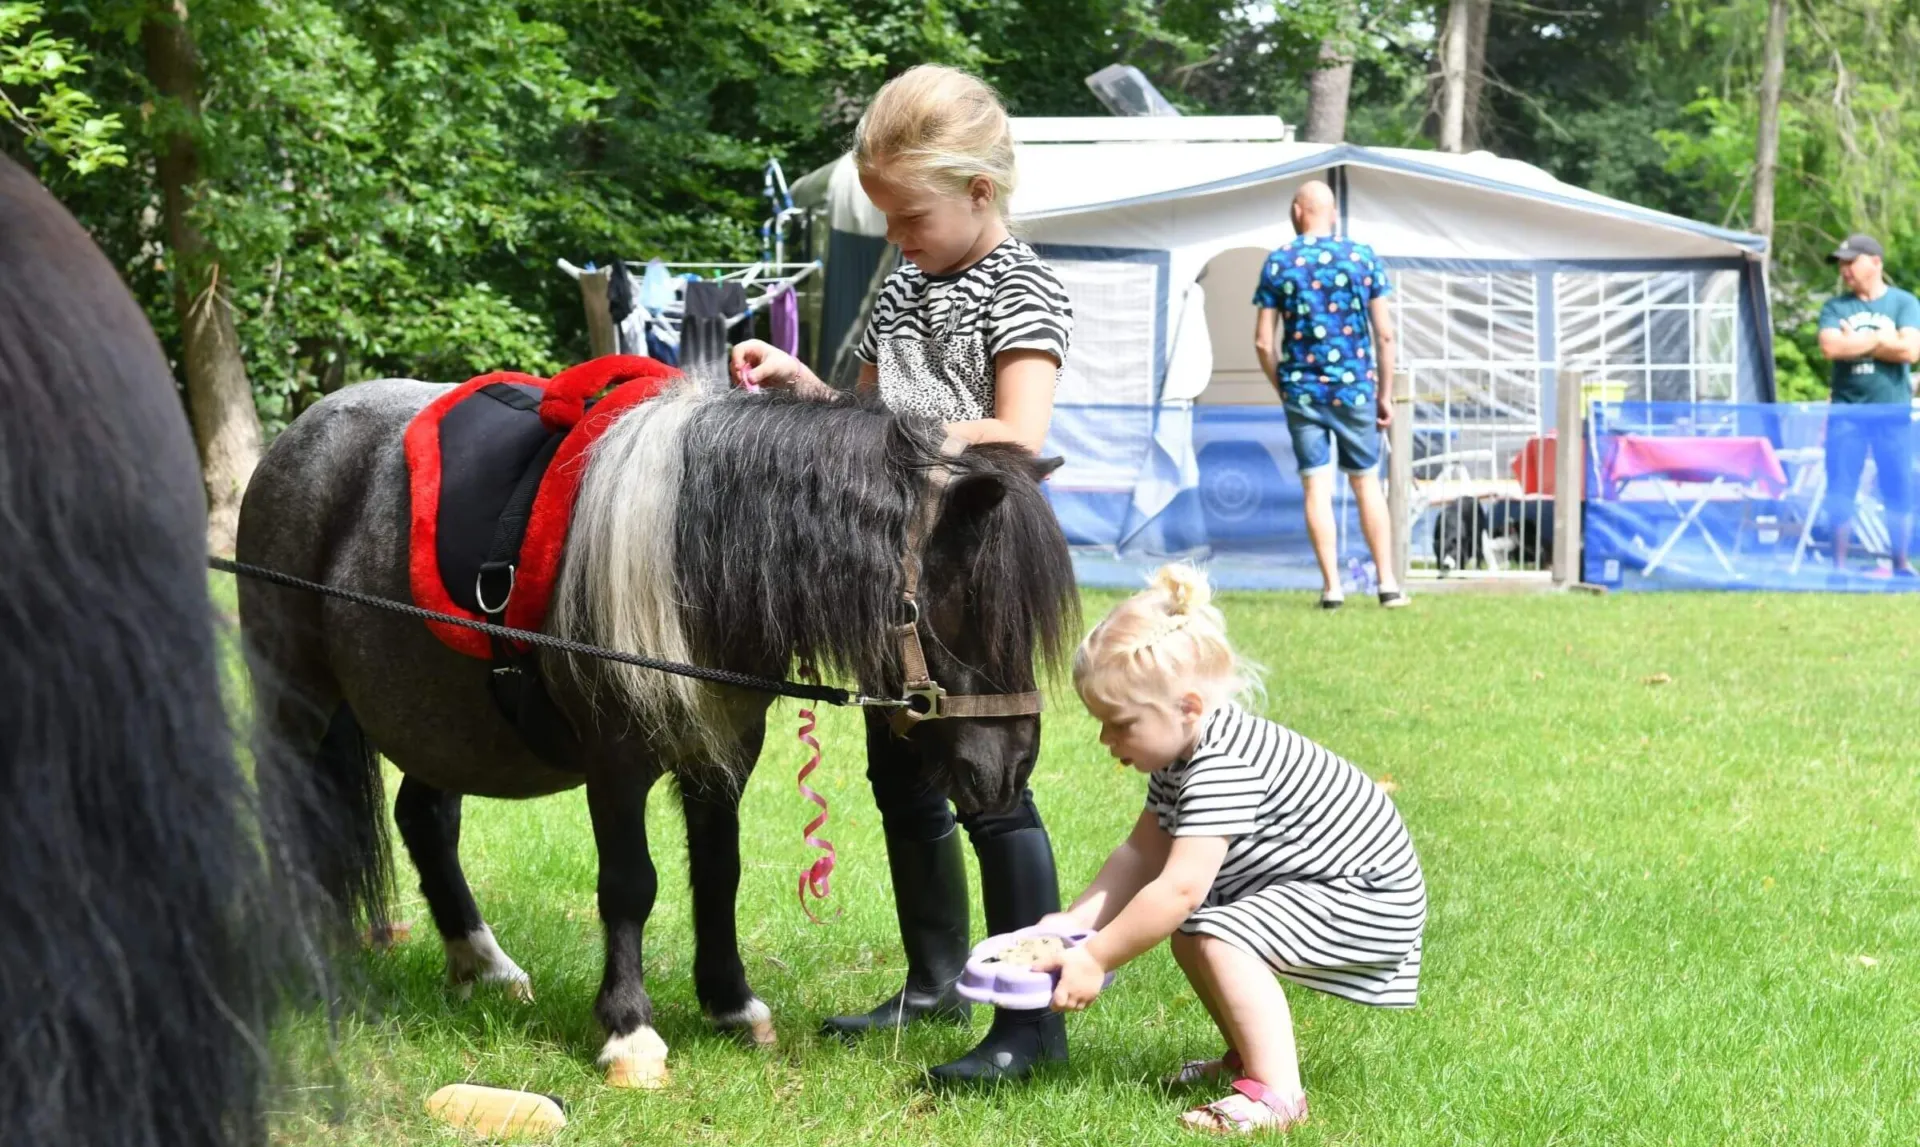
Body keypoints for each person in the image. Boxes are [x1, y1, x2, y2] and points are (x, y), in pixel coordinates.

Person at [730, 64, 1075, 1084]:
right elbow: (865, 411)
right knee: (902, 774)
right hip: (899, 561)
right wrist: (810, 390)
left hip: (980, 556)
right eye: (883, 216)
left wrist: (889, 427)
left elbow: (1018, 431)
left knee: (992, 783)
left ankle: (1030, 1023)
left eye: (909, 214)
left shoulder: (1023, 283)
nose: (895, 236)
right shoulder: (905, 284)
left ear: (979, 193)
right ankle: (933, 980)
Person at [1031, 565, 1426, 1134]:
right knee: (1194, 933)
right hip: (1323, 885)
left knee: (1213, 932)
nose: (1106, 740)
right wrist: (1073, 923)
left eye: (1118, 723)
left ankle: (1279, 1096)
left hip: (1366, 897)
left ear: (1187, 707)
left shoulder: (1223, 765)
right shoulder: (1179, 755)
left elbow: (1181, 887)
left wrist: (1094, 958)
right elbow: (1140, 856)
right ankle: (1248, 1059)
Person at [1253, 182, 1408, 609]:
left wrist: (1283, 387)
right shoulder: (1362, 257)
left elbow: (1264, 342)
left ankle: (1332, 589)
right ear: (1332, 212)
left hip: (1302, 390)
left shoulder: (1280, 261)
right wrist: (1385, 394)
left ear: (1298, 211)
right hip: (1355, 387)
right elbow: (1386, 334)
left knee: (1315, 487)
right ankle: (1388, 585)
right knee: (1366, 483)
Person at [1815, 233, 1920, 578]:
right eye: (1841, 263)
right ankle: (1839, 567)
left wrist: (1859, 341)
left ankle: (1901, 563)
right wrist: (1881, 338)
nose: (1844, 269)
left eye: (1850, 261)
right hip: (1847, 414)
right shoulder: (1835, 307)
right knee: (1841, 486)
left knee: (1898, 485)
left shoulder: (1904, 303)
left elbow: (1910, 352)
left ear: (1875, 262)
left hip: (1893, 413)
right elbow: (1831, 348)